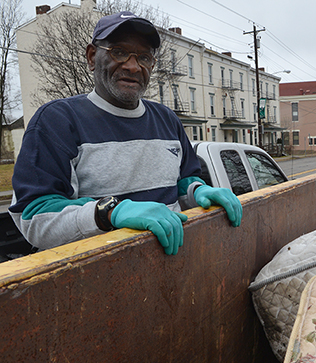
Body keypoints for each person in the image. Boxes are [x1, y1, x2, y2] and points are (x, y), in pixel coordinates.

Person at [9, 11, 242, 256]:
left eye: (144, 57)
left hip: (173, 270)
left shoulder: (166, 120)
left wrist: (199, 192)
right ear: (91, 57)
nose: (133, 66)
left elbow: (183, 183)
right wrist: (109, 213)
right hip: (96, 281)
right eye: (118, 52)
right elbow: (34, 217)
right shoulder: (57, 121)